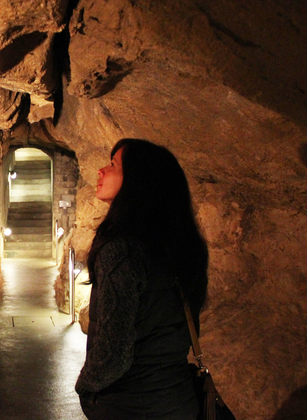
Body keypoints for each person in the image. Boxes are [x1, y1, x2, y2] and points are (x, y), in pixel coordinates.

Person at [75, 138, 208, 419]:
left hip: (130, 406)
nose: (100, 171)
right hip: (179, 401)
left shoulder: (121, 250)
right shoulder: (183, 248)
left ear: (138, 181)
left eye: (113, 165)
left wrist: (86, 388)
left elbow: (114, 353)